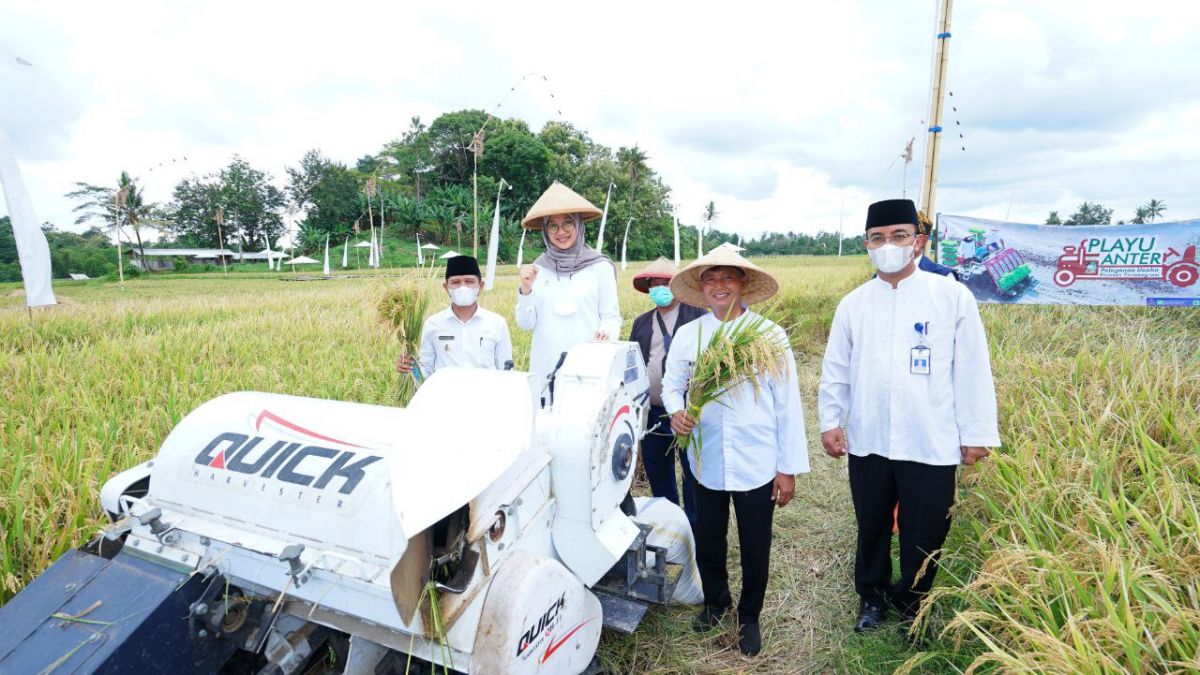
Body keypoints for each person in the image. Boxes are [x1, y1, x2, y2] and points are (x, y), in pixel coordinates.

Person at [817, 198, 1001, 635]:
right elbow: (836, 370)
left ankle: (914, 604)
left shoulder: (951, 296)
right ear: (866, 244)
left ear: (918, 241)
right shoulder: (854, 304)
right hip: (870, 437)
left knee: (926, 530)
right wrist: (830, 421)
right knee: (873, 524)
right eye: (877, 238)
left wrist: (976, 432)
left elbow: (972, 368)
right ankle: (872, 598)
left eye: (898, 235)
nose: (888, 245)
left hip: (930, 437)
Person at [662, 248, 809, 657]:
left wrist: (787, 469)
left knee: (754, 542)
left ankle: (749, 615)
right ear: (702, 288)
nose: (719, 286)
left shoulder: (769, 336)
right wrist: (676, 411)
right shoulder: (690, 335)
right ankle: (716, 603)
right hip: (705, 458)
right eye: (711, 279)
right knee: (709, 537)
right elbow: (673, 384)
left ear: (743, 283)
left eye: (728, 278)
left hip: (757, 460)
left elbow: (788, 405)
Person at [515, 182, 621, 395]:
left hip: (589, 367)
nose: (560, 232)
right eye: (552, 226)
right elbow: (526, 324)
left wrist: (605, 334)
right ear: (545, 230)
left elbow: (612, 317)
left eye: (568, 223)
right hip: (545, 366)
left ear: (579, 225)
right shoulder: (537, 270)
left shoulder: (600, 267)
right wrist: (525, 290)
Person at [627, 257, 706, 528]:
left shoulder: (698, 316)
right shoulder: (641, 323)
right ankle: (671, 525)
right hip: (652, 410)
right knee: (657, 470)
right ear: (648, 288)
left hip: (688, 412)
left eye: (666, 284)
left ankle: (695, 528)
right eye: (655, 284)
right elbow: (633, 363)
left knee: (692, 472)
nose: (660, 289)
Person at [396, 254, 513, 378]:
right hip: (445, 396)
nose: (463, 287)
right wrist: (408, 368)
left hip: (485, 395)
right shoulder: (433, 324)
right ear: (446, 288)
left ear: (480, 286)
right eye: (456, 282)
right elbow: (425, 370)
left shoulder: (496, 323)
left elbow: (505, 369)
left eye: (469, 281)